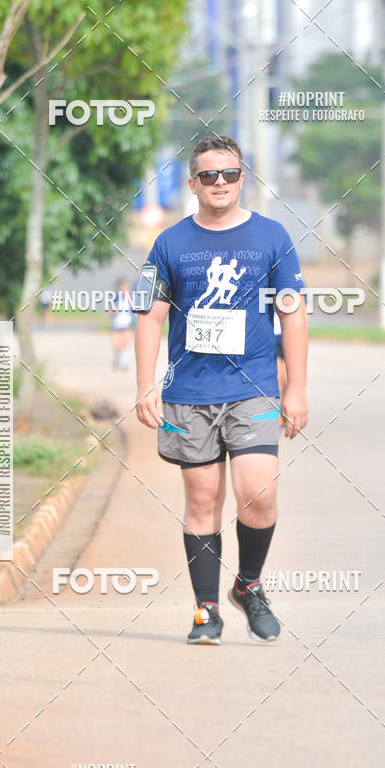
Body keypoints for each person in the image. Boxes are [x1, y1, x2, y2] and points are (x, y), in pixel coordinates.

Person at [134, 135, 308, 645]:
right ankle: (206, 610)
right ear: (193, 183)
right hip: (189, 392)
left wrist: (296, 389)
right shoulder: (170, 243)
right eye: (208, 175)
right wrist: (146, 384)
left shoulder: (271, 237)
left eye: (228, 174)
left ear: (242, 179)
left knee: (259, 492)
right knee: (203, 497)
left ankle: (248, 586)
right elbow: (150, 316)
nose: (219, 183)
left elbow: (293, 317)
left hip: (253, 386)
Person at [111, 278, 135, 370]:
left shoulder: (131, 299)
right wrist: (114, 310)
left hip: (127, 325)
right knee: (117, 345)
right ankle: (117, 361)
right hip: (116, 325)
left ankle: (124, 363)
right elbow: (110, 310)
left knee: (126, 345)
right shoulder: (116, 298)